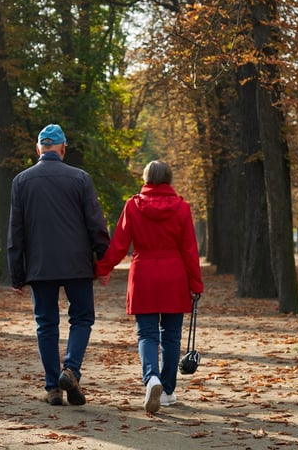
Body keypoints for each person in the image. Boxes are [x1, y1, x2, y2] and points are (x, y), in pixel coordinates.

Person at [8, 123, 110, 407]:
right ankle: (72, 370)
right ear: (63, 149)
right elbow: (96, 224)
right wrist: (104, 258)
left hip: (40, 267)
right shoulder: (80, 178)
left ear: (38, 149)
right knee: (81, 319)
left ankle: (53, 386)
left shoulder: (21, 181)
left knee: (46, 324)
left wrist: (17, 274)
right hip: (76, 263)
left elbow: (15, 232)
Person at [95, 160, 204, 414]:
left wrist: (103, 268)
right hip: (174, 274)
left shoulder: (133, 206)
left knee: (146, 334)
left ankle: (151, 378)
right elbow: (189, 249)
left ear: (146, 179)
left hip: (143, 273)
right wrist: (196, 283)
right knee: (172, 335)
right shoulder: (182, 208)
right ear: (169, 179)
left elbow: (120, 243)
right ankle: (166, 390)